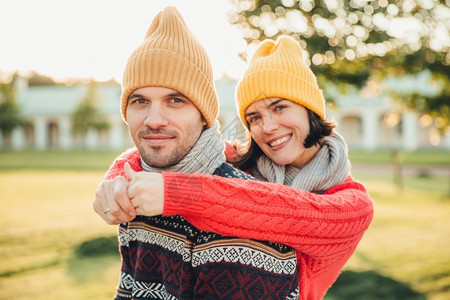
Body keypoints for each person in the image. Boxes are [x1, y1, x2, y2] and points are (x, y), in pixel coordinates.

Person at [95, 33, 374, 300]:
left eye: (279, 108)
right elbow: (171, 146)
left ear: (310, 109)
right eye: (253, 117)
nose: (267, 127)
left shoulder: (352, 206)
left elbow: (277, 210)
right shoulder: (239, 162)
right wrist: (118, 178)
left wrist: (177, 194)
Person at [94, 6, 302, 300]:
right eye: (140, 101)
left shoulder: (246, 226)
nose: (154, 120)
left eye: (175, 100)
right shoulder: (134, 196)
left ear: (204, 115)